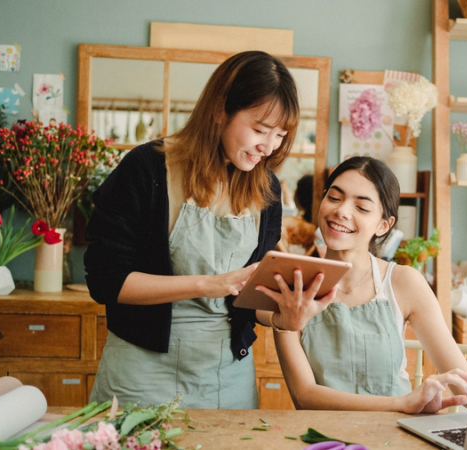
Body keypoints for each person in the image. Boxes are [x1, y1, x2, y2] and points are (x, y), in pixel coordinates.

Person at [84, 51, 336, 409]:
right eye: (260, 129)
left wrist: (285, 313)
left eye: (280, 135)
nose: (269, 147)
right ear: (220, 110)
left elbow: (253, 301)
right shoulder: (147, 169)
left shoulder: (266, 189)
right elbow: (106, 281)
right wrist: (208, 284)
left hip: (227, 375)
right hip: (140, 373)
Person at [260, 156, 467, 413]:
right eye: (334, 197)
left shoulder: (403, 282)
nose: (342, 211)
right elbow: (304, 396)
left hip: (395, 435)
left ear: (383, 225)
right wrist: (403, 403)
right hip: (322, 438)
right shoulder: (291, 285)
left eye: (362, 208)